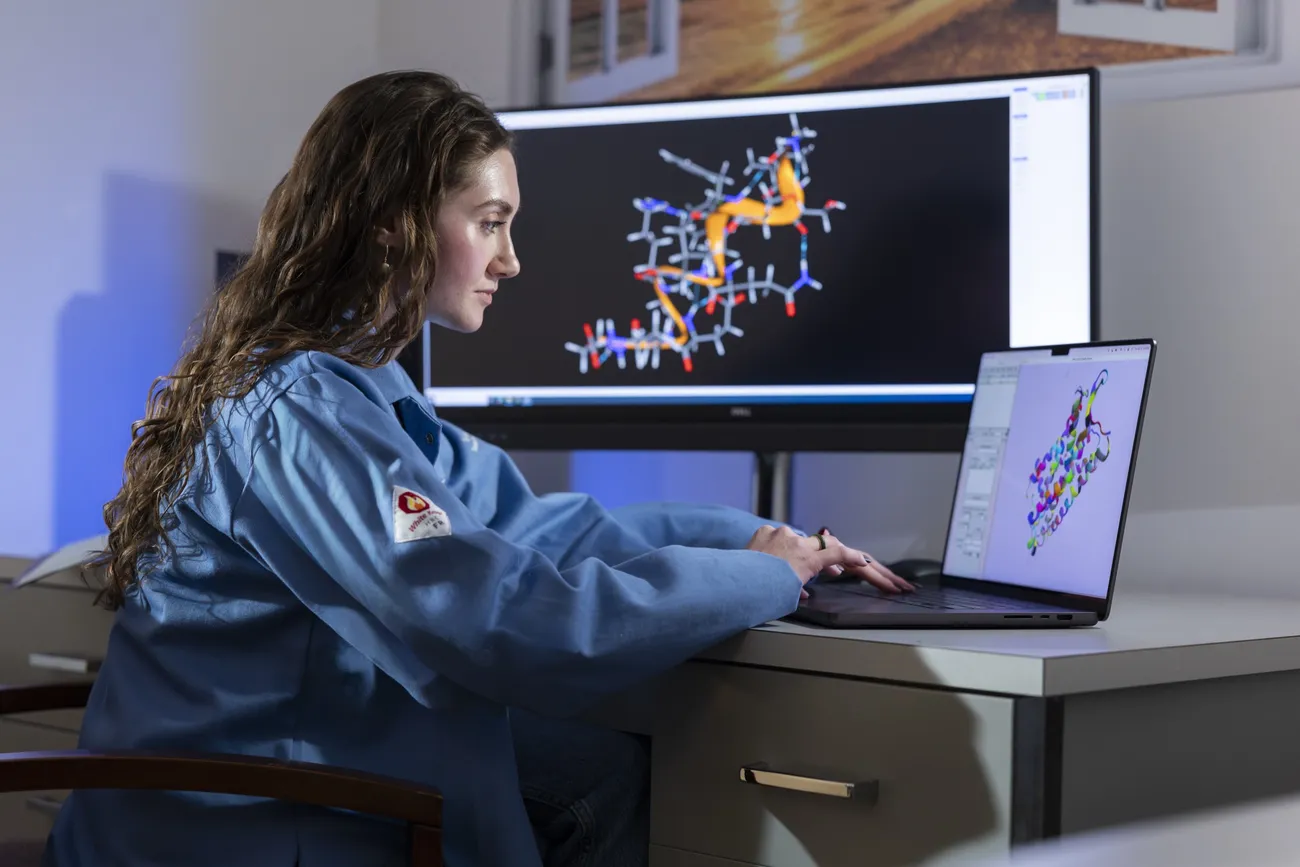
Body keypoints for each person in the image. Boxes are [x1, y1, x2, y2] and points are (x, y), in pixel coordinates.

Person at [42, 70, 911, 867]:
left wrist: (764, 541)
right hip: (235, 822)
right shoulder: (301, 413)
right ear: (395, 223)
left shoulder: (360, 387)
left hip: (283, 758)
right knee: (602, 777)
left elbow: (544, 527)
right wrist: (763, 579)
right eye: (490, 223)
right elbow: (506, 626)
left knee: (601, 770)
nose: (511, 259)